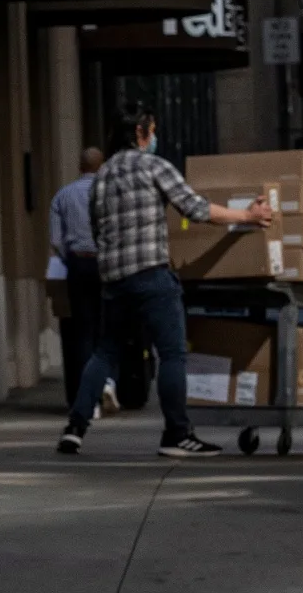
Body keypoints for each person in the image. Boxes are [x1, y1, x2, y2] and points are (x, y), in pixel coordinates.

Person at [56, 107, 272, 458]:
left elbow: (97, 231)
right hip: (151, 275)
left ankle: (75, 428)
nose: (155, 137)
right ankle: (177, 434)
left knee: (104, 352)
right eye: (152, 131)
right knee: (172, 353)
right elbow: (195, 208)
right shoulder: (154, 167)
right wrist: (247, 215)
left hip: (113, 279)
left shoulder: (103, 177)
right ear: (141, 133)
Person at [48, 146, 108, 409]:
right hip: (108, 265)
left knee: (81, 332)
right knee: (107, 329)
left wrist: (69, 257)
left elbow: (55, 240)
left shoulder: (62, 196)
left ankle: (86, 399)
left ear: (79, 166)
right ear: (102, 166)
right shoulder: (110, 192)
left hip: (78, 265)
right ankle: (108, 384)